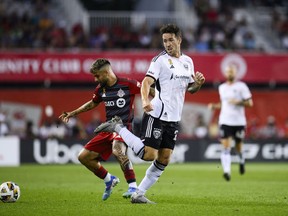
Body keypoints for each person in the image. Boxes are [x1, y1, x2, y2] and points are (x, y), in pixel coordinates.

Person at [94, 24, 205, 204]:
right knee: (149, 155)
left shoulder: (188, 62)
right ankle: (117, 127)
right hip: (157, 114)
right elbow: (146, 82)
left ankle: (138, 194)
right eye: (164, 41)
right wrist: (145, 101)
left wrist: (198, 84)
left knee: (164, 158)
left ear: (179, 39)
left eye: (170, 40)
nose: (167, 44)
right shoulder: (159, 60)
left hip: (174, 118)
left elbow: (190, 89)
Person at [59, 58, 142, 201]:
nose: (95, 79)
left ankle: (133, 186)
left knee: (117, 150)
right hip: (107, 128)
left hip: (123, 127)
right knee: (83, 157)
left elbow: (149, 89)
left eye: (97, 75)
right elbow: (92, 103)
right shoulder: (101, 89)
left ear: (106, 72)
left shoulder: (128, 84)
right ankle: (109, 179)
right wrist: (73, 113)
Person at [208, 64, 253, 181]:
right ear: (225, 73)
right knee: (226, 147)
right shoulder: (222, 87)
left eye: (231, 71)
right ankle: (227, 171)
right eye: (228, 72)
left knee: (238, 146)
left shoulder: (241, 86)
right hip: (225, 121)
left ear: (235, 73)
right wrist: (215, 106)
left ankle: (241, 160)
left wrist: (238, 102)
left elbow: (250, 103)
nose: (230, 74)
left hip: (239, 122)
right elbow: (224, 104)